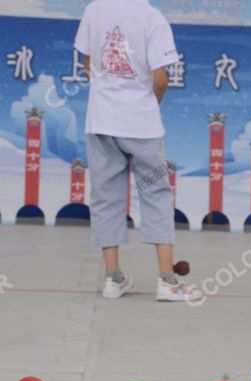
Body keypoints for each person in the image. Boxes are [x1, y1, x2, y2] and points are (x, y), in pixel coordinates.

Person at [75, 0, 201, 302]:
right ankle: (167, 281)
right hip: (142, 124)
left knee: (105, 195)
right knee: (156, 194)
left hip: (101, 120)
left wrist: (109, 91)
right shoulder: (151, 17)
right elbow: (160, 79)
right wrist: (148, 104)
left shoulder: (94, 10)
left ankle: (112, 277)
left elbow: (87, 63)